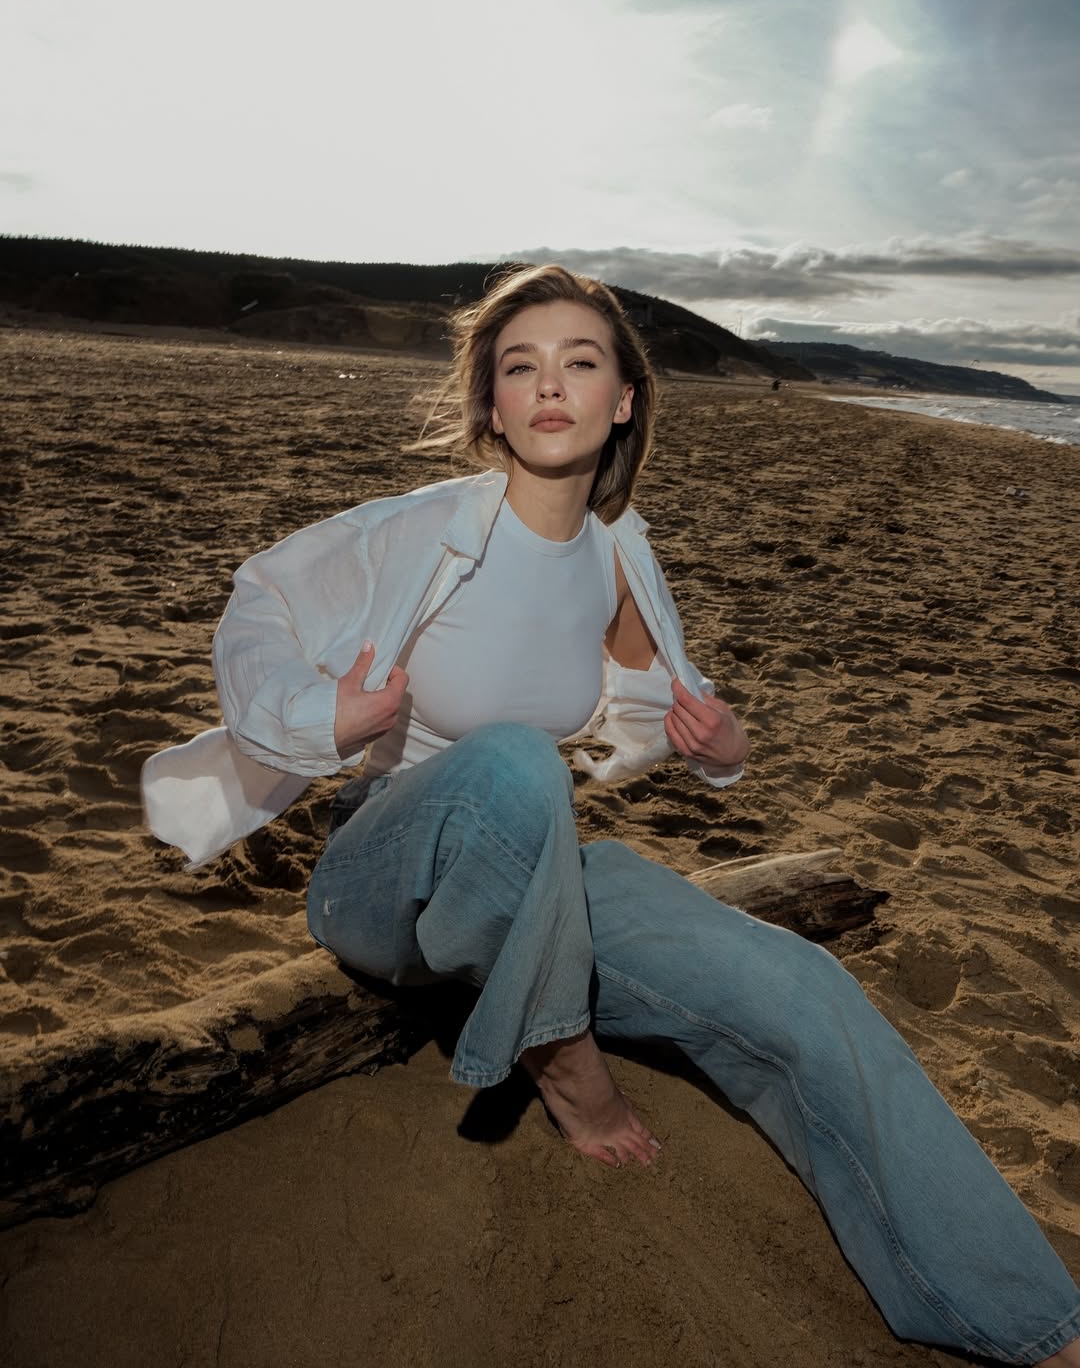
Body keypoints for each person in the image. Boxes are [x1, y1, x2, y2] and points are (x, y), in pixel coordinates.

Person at [142, 264, 1080, 1365]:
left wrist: (725, 750)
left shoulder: (619, 558)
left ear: (624, 398)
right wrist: (323, 716)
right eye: (520, 366)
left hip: (530, 871)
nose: (551, 385)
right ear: (493, 405)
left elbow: (653, 711)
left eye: (579, 362)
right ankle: (562, 1061)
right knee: (510, 761)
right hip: (382, 871)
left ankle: (1031, 1324)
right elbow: (259, 599)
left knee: (801, 985)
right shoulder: (425, 529)